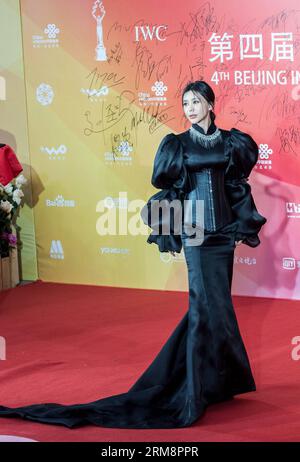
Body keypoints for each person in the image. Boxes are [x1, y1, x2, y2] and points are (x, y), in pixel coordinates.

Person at [0, 80, 267, 429]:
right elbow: (171, 189)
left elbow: (235, 186)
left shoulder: (232, 142)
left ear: (211, 104)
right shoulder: (176, 145)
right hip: (195, 235)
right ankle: (192, 392)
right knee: (202, 309)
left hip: (222, 238)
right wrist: (171, 235)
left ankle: (216, 382)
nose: (189, 107)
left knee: (217, 308)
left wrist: (239, 230)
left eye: (196, 101)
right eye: (185, 102)